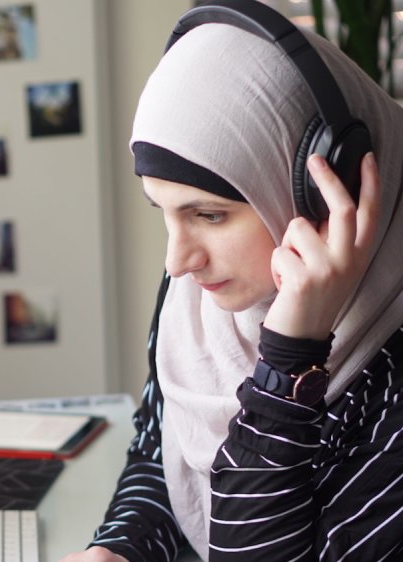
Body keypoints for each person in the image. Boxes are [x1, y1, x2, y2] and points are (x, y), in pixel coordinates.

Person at [60, 5, 403, 562]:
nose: (178, 262)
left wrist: (291, 355)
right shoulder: (203, 298)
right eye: (164, 213)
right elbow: (158, 452)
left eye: (209, 215)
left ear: (322, 189)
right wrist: (121, 549)